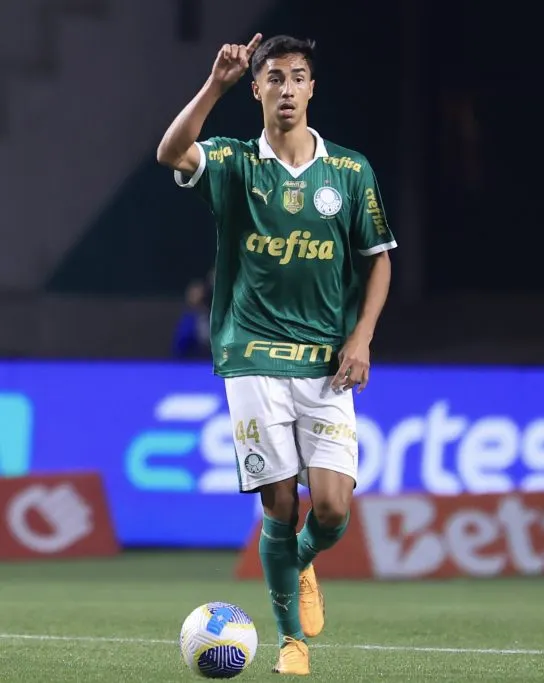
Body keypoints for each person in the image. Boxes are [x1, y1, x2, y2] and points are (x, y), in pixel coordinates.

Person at [156, 33, 396, 675]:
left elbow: (378, 259)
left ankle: (302, 560)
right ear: (258, 88)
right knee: (279, 505)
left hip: (327, 361)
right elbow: (171, 151)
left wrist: (363, 336)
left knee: (335, 509)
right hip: (253, 355)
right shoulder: (235, 163)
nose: (286, 88)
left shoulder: (349, 172)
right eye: (274, 78)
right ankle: (292, 641)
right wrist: (216, 85)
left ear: (312, 89)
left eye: (297, 77)